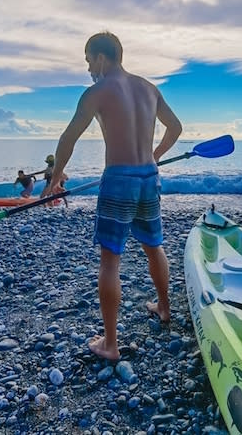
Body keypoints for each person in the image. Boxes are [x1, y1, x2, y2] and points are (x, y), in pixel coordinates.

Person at [46, 31, 182, 361]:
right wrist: (155, 154)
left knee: (110, 260)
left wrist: (54, 179)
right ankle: (164, 308)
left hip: (119, 179)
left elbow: (68, 138)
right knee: (153, 246)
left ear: (102, 58)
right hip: (148, 177)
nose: (89, 67)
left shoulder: (97, 92)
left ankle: (110, 343)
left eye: (90, 60)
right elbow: (175, 127)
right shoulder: (149, 88)